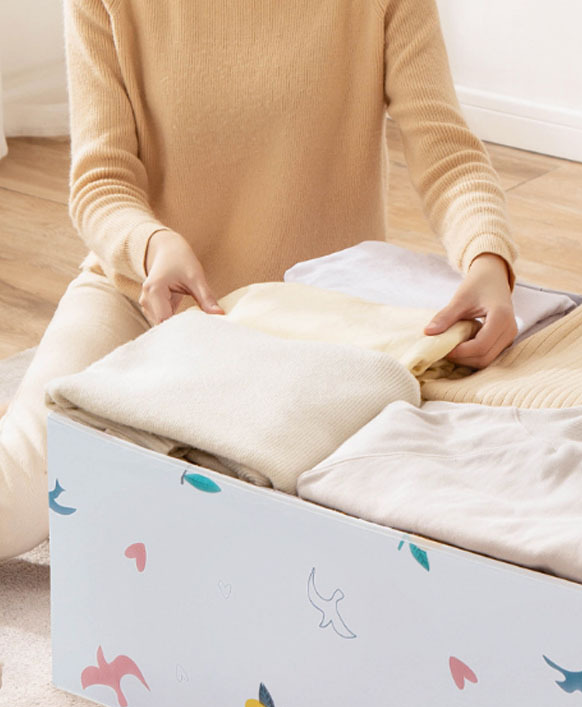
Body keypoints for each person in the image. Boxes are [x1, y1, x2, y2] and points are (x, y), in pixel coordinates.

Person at [0, 0, 519, 561]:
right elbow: (101, 181)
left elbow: (446, 151)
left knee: (267, 542)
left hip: (304, 328)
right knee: (19, 493)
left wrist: (487, 256)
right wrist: (152, 245)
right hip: (143, 297)